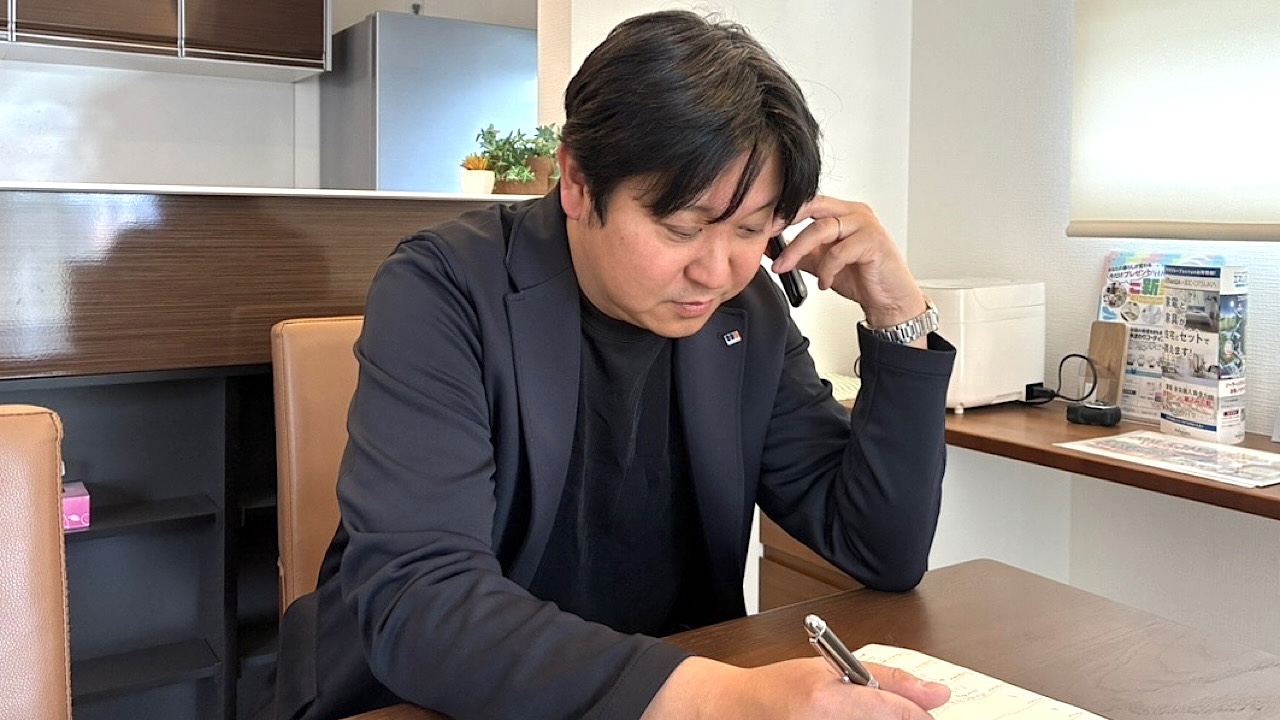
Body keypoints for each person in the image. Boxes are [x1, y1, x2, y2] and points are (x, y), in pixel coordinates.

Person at [266, 10, 956, 720]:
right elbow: (424, 603)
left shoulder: (746, 311)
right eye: (681, 227)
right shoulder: (444, 288)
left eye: (752, 229)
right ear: (576, 180)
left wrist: (898, 315)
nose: (716, 271)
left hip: (663, 692)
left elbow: (880, 548)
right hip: (427, 703)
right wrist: (725, 699)